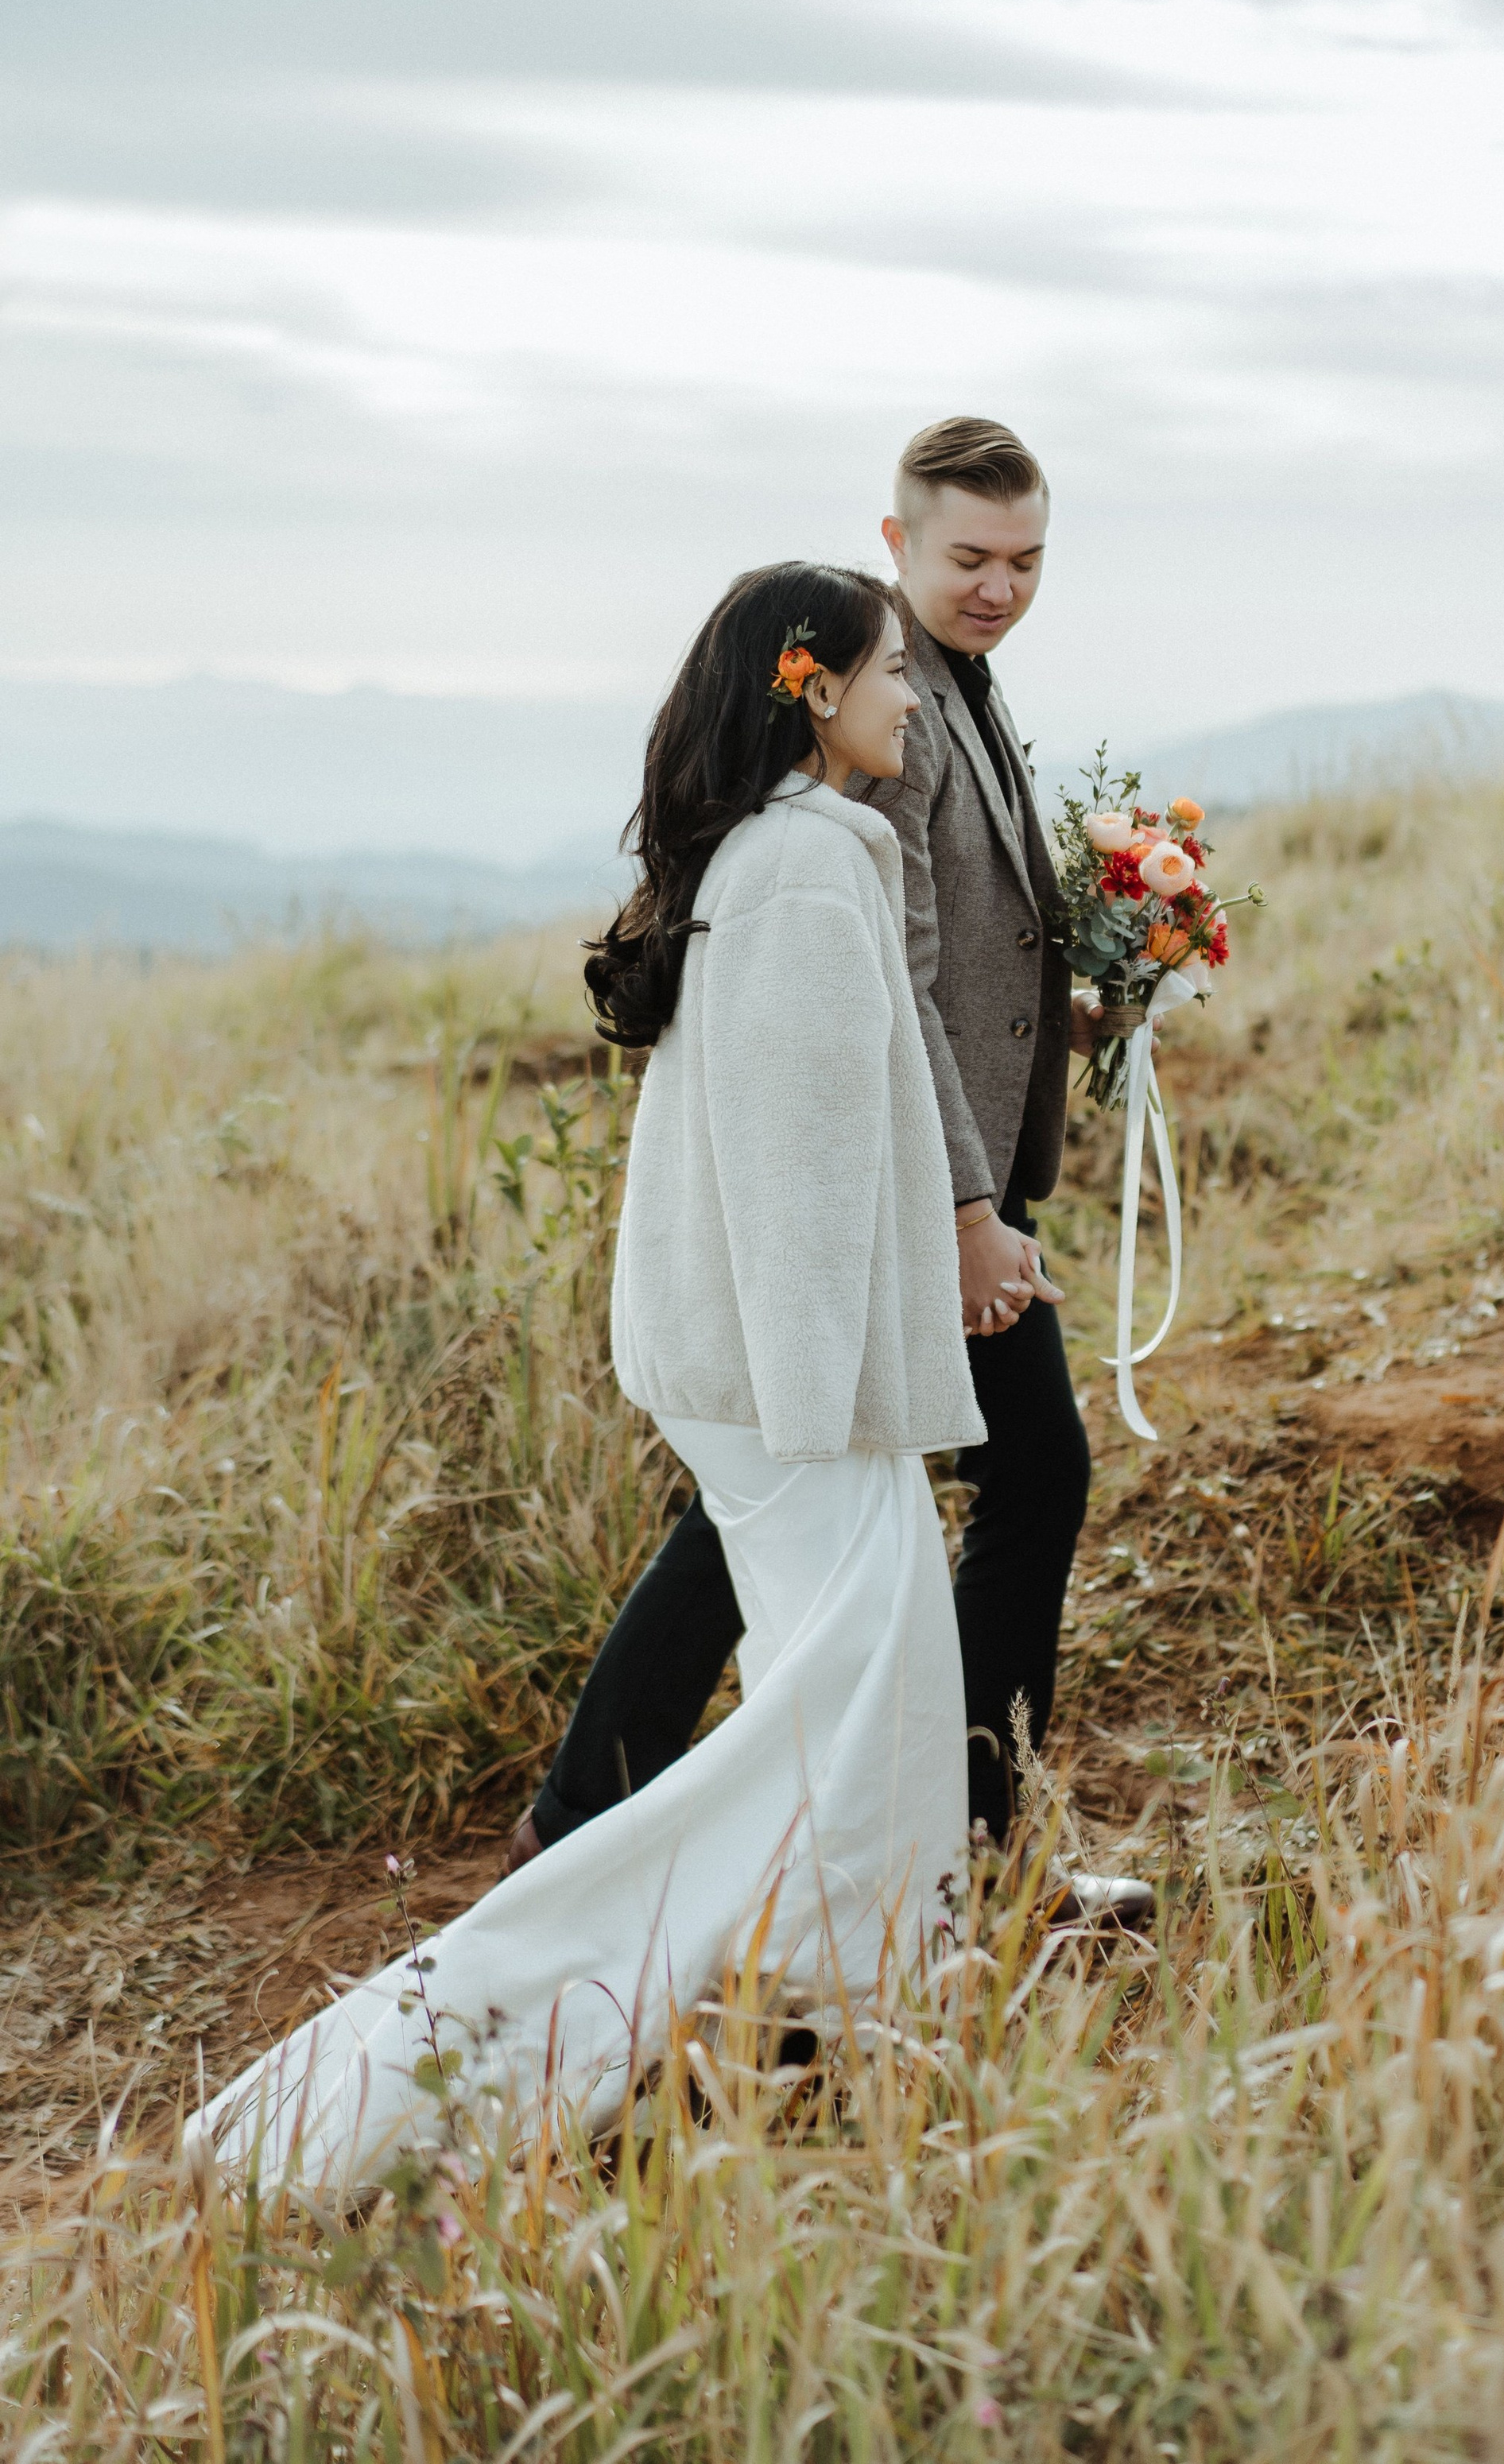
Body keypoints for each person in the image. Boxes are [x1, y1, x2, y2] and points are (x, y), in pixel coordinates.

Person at [194, 564, 981, 2188]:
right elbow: (795, 1174)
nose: (914, 696)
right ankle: (439, 2060)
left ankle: (838, 1999)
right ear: (813, 687)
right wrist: (826, 1411)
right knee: (853, 1701)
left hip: (778, 1381)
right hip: (793, 1389)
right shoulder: (799, 873)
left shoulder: (777, 855)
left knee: (862, 1694)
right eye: (893, 669)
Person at [508, 416, 1153, 1923]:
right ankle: (960, 1855)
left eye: (1027, 561)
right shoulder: (875, 719)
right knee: (1010, 1477)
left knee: (778, 1511)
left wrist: (1079, 1001)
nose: (1000, 588)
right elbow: (887, 984)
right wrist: (968, 1212)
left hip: (933, 1179)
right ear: (897, 544)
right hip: (916, 1193)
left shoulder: (950, 688)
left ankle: (592, 1814)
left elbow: (937, 955)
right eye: (971, 558)